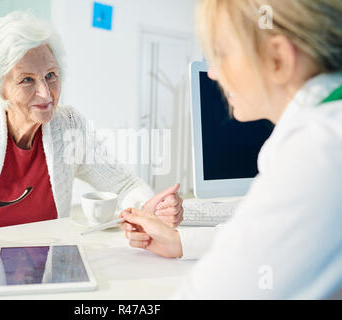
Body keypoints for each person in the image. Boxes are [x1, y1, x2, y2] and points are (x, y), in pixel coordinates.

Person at [0, 11, 183, 258]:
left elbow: (124, 185)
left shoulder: (69, 124)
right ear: (1, 88)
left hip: (51, 259)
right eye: (27, 79)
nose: (45, 93)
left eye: (51, 75)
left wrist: (149, 208)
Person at [120, 0, 342, 299]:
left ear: (278, 58)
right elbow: (265, 238)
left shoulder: (315, 150)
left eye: (221, 54)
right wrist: (180, 241)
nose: (212, 73)